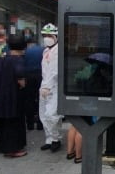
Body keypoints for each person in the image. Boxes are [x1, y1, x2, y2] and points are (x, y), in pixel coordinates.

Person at [0, 35, 27, 157]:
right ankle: (12, 149)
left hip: (2, 94)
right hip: (13, 95)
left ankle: (0, 145)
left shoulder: (4, 57)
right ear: (23, 46)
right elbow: (21, 79)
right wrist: (23, 83)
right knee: (14, 121)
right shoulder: (18, 59)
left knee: (3, 121)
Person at [39, 23, 62, 152]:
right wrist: (44, 86)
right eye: (45, 35)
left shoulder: (58, 50)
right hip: (43, 86)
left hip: (53, 86)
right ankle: (49, 139)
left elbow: (55, 71)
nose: (47, 38)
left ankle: (55, 139)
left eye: (49, 35)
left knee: (52, 114)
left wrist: (48, 86)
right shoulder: (46, 50)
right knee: (43, 114)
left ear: (55, 36)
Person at [23, 28, 44, 130]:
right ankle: (40, 124)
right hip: (40, 75)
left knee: (29, 100)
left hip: (28, 76)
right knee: (41, 99)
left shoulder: (25, 51)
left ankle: (30, 124)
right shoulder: (42, 49)